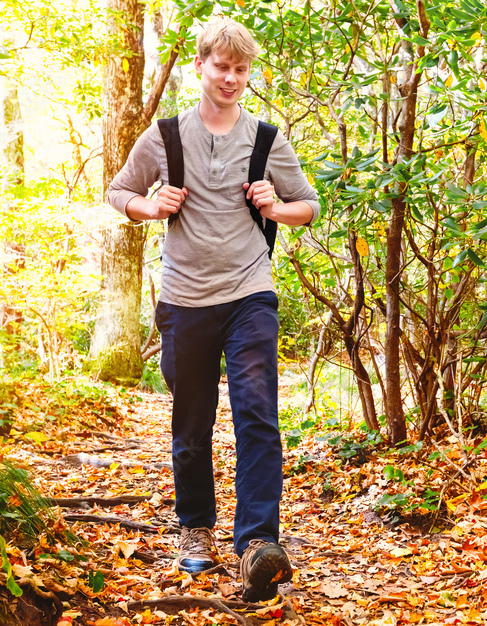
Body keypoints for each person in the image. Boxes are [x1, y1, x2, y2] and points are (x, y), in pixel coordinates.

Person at [105, 16, 319, 602]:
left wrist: (277, 207)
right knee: (192, 421)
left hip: (251, 291)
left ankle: (257, 543)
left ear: (249, 74)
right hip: (184, 299)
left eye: (240, 69)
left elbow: (309, 205)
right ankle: (195, 526)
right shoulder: (165, 136)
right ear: (199, 67)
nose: (230, 77)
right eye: (220, 66)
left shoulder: (267, 139)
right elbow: (117, 190)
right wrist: (148, 208)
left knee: (257, 412)